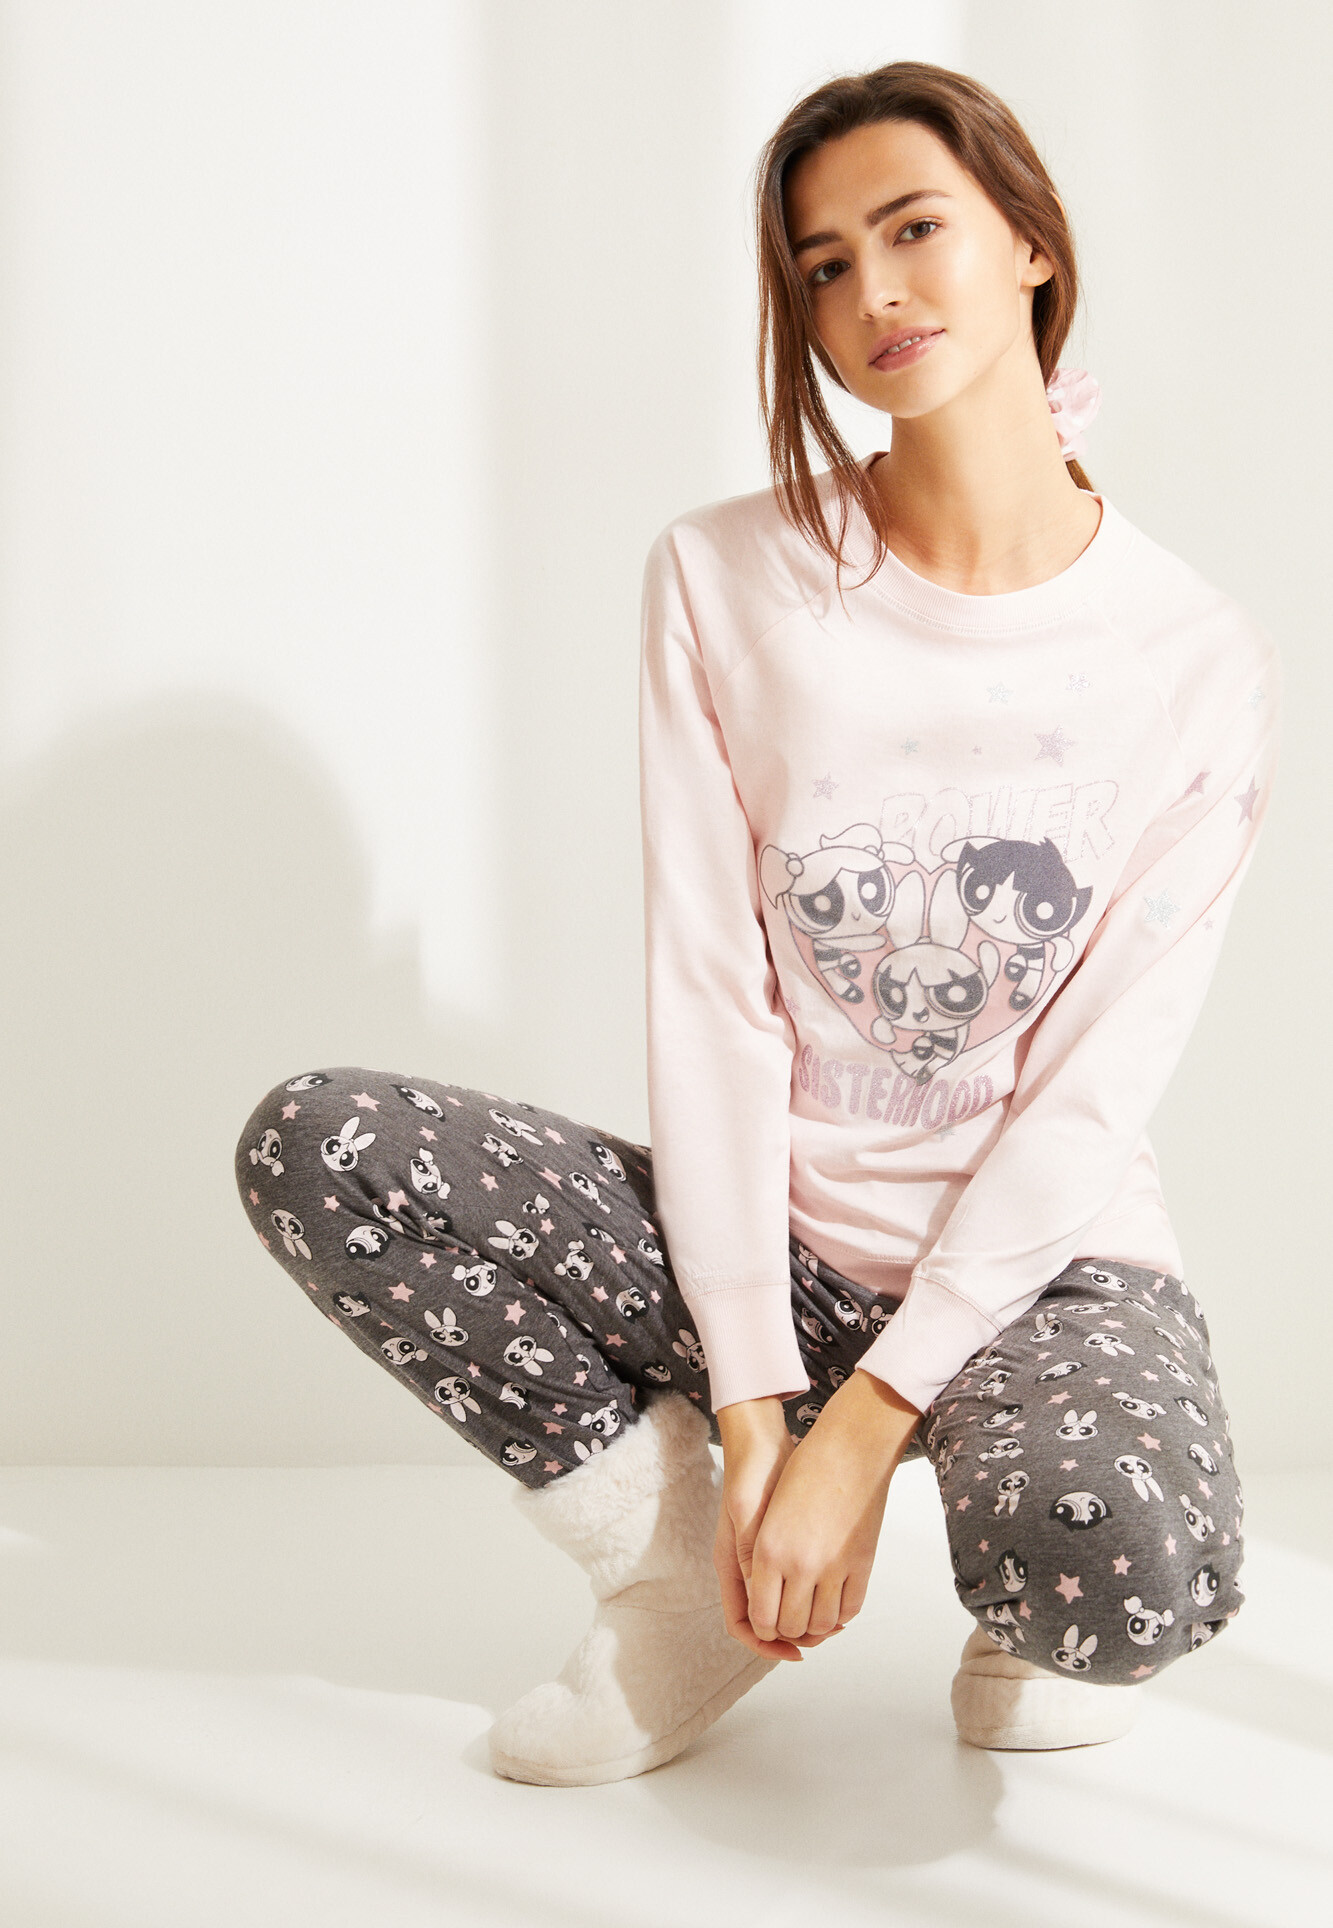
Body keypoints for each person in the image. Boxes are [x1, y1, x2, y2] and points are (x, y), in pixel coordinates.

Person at [234, 60, 1280, 1786]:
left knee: (1118, 1579)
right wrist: (752, 1410)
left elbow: (1091, 1090)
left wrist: (863, 1426)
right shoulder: (725, 577)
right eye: (820, 264)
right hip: (771, 1250)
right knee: (323, 1146)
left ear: (1029, 241)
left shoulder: (1190, 657)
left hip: (1045, 1273)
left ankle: (1022, 1576)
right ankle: (679, 1579)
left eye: (913, 229)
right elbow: (713, 1000)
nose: (871, 293)